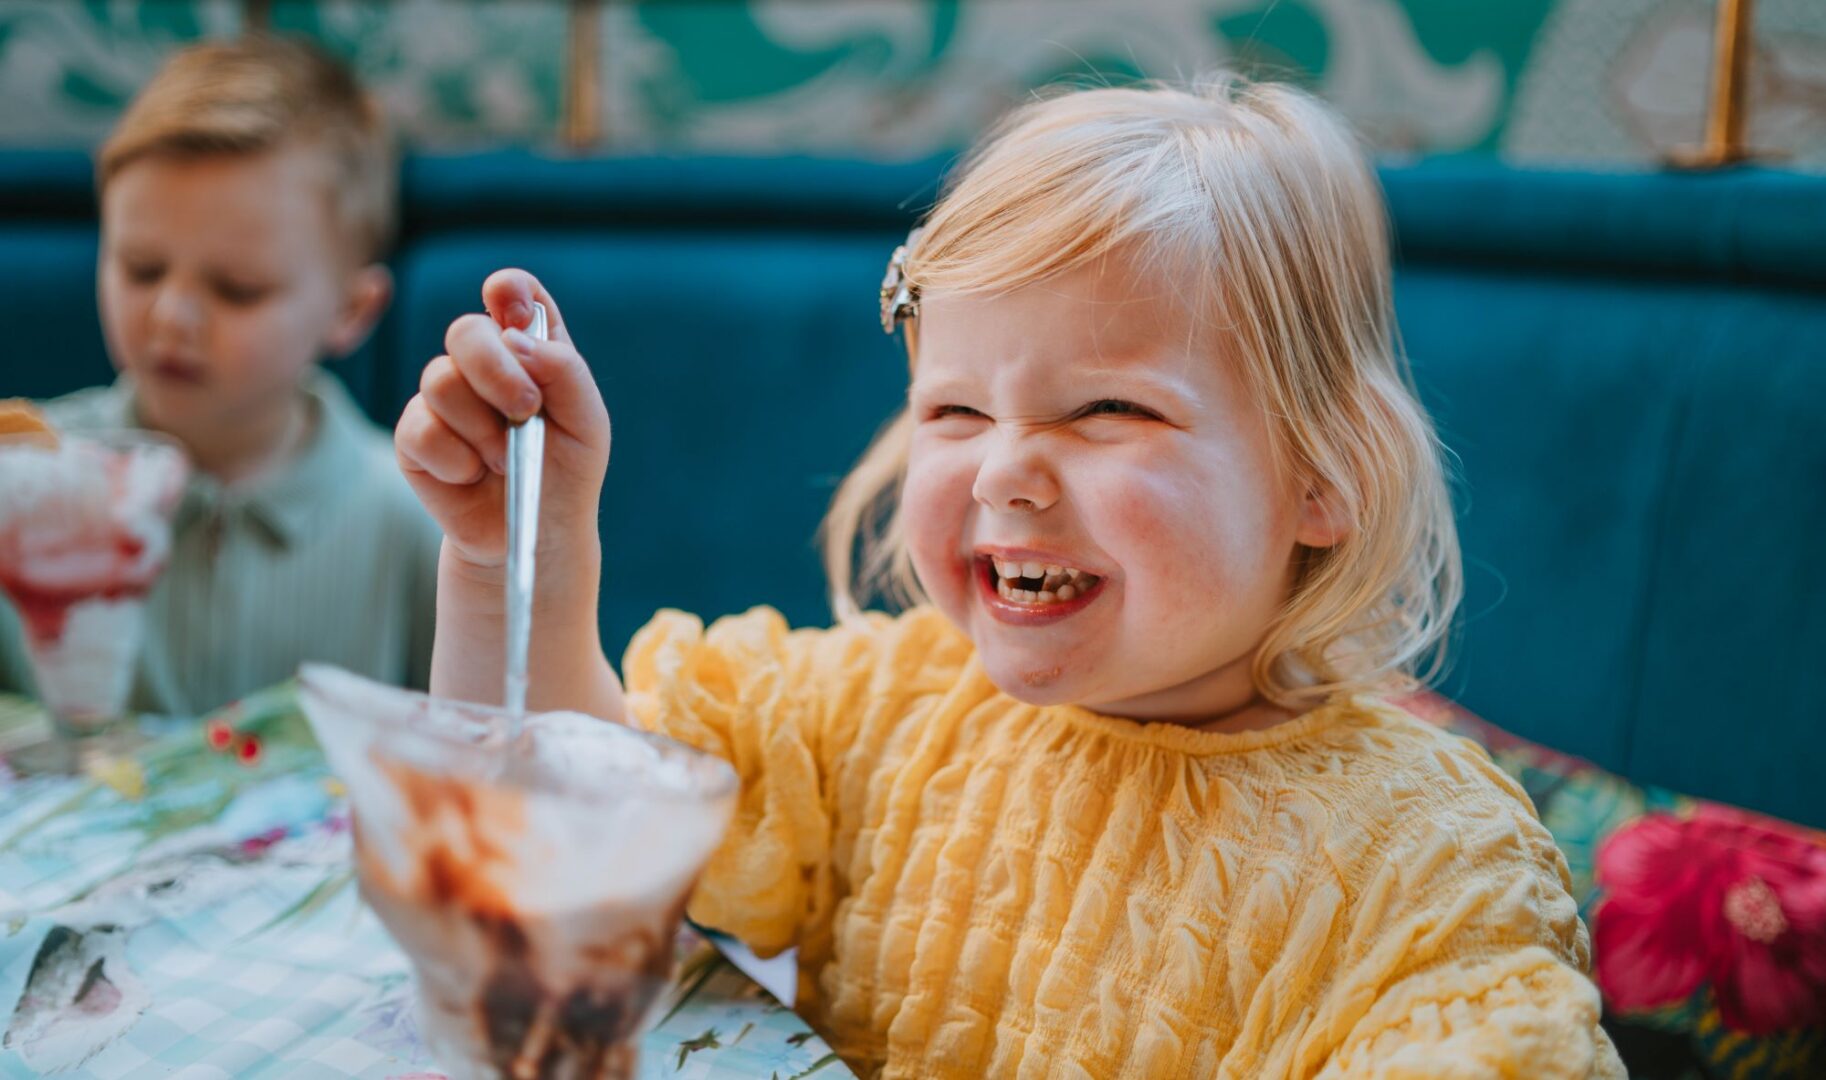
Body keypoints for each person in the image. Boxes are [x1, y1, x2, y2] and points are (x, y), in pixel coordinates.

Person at [396, 79, 1624, 1078]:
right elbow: (539, 846)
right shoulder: (880, 708)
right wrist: (519, 556)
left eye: (1105, 409)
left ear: (1323, 477)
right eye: (957, 408)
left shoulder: (1427, 869)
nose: (1003, 475)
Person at [0, 36, 440, 716]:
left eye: (237, 289)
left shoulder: (414, 526)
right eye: (141, 268)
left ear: (351, 310)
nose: (171, 317)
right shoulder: (24, 480)